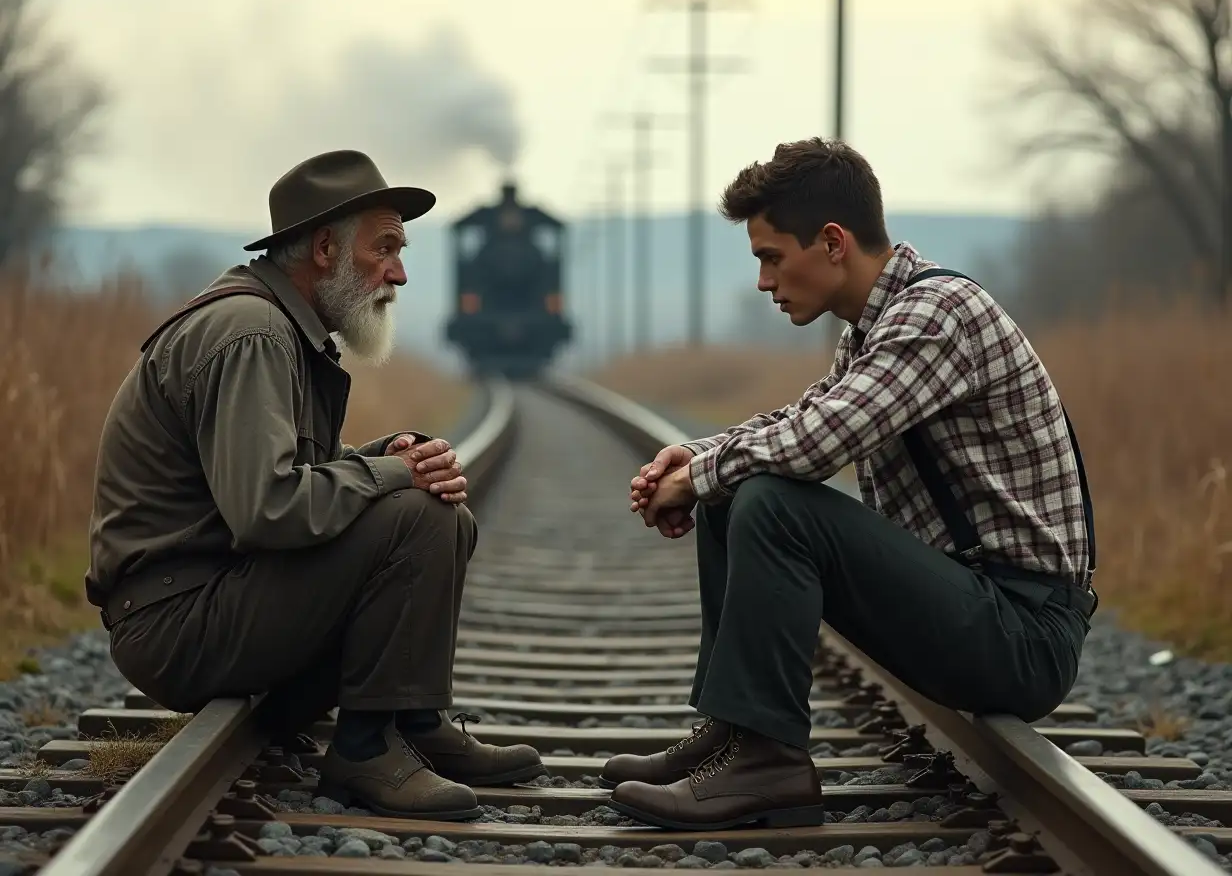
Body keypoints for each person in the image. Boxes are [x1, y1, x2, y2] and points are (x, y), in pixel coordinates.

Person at [601, 138, 1098, 831]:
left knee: (770, 498)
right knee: (739, 487)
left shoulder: (937, 316)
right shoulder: (874, 330)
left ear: (832, 242)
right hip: (977, 606)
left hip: (1021, 632)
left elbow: (818, 443)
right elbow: (804, 418)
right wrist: (696, 456)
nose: (763, 282)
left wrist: (704, 473)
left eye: (771, 257)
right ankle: (737, 733)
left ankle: (769, 763)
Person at [87, 149, 545, 821]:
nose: (400, 271)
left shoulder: (278, 327)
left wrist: (382, 456)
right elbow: (268, 511)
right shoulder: (251, 333)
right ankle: (364, 751)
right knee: (419, 515)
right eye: (383, 248)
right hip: (180, 624)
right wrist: (392, 473)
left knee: (443, 513)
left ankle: (413, 723)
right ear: (326, 249)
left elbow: (280, 485)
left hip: (216, 596)